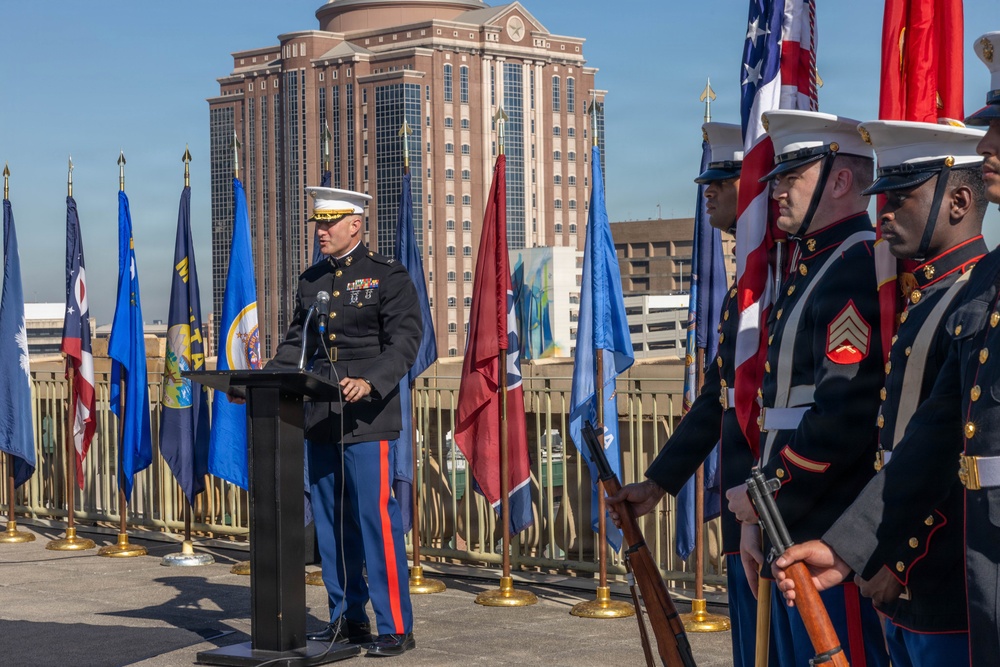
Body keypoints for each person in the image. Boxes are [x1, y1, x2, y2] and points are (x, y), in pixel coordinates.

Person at [773, 32, 1000, 667]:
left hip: (948, 577)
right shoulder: (965, 290)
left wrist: (897, 558)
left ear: (957, 202)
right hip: (921, 575)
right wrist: (857, 547)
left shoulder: (967, 292)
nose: (986, 147)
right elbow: (928, 438)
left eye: (901, 197)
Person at [723, 110, 889, 667]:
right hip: (789, 512)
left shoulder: (853, 266)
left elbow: (842, 415)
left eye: (792, 176)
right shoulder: (813, 265)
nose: (777, 192)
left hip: (829, 519)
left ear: (840, 181)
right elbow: (778, 411)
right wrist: (763, 517)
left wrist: (770, 494)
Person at [607, 122, 765, 667]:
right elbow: (715, 402)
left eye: (723, 179)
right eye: (709, 181)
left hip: (781, 505)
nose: (709, 191)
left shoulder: (772, 283)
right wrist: (658, 483)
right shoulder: (744, 287)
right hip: (747, 507)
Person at [266, 186, 422, 658]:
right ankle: (347, 618)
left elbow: (405, 342)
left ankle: (395, 625)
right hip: (319, 415)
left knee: (374, 519)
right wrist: (260, 380)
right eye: (317, 222)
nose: (320, 230)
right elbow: (298, 346)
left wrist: (371, 382)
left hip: (366, 417)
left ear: (355, 224)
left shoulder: (387, 277)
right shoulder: (311, 280)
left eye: (329, 222)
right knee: (332, 525)